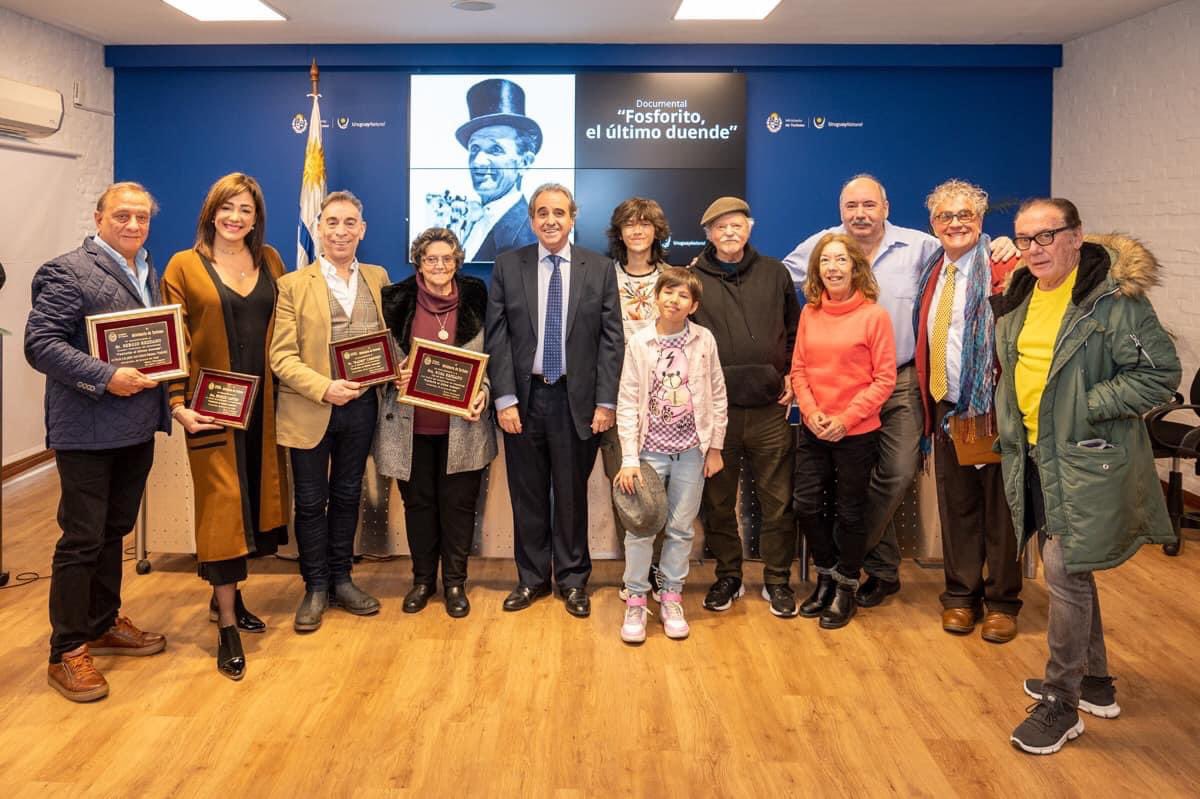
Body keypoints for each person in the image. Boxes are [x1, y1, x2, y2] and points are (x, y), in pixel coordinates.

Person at [995, 199, 1180, 755]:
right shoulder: (1021, 295)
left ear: (1076, 237)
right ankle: (1095, 681)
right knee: (1072, 568)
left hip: (1084, 456)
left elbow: (1160, 374)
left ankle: (1061, 701)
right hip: (1031, 452)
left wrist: (1088, 402)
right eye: (1025, 240)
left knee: (1065, 569)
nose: (1034, 249)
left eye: (1046, 236)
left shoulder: (1113, 303)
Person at [783, 175, 1017, 608]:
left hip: (904, 379)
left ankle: (839, 563)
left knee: (895, 474)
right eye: (851, 205)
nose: (860, 214)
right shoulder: (826, 245)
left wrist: (1000, 243)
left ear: (886, 207)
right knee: (857, 483)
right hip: (843, 388)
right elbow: (777, 280)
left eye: (869, 205)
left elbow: (967, 252)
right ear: (840, 210)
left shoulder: (921, 247)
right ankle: (882, 571)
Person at [25, 182, 170, 702]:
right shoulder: (67, 270)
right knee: (82, 538)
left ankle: (102, 622)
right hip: (85, 428)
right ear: (99, 217)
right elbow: (40, 345)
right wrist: (105, 376)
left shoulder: (148, 271)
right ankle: (67, 650)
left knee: (115, 531)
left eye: (142, 218)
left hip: (134, 425)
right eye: (122, 216)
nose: (133, 226)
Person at [161, 173, 290, 679]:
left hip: (264, 408)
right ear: (210, 213)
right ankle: (229, 626)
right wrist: (177, 402)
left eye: (246, 210)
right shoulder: (184, 265)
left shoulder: (273, 260)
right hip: (211, 409)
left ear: (256, 218)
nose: (236, 218)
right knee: (221, 510)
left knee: (253, 506)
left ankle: (226, 600)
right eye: (227, 208)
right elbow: (174, 340)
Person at [485, 183, 623, 618]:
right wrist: (504, 399)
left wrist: (606, 402)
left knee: (570, 495)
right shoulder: (509, 266)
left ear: (572, 217)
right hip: (524, 401)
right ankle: (531, 580)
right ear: (531, 220)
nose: (550, 220)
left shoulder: (599, 269)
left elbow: (611, 340)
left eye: (559, 212)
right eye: (542, 213)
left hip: (574, 401)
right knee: (526, 495)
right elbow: (498, 336)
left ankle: (573, 580)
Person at [270, 190, 390, 632]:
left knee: (346, 496)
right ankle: (315, 586)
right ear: (318, 228)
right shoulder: (292, 285)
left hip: (361, 411)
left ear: (363, 229)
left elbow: (387, 344)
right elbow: (281, 357)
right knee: (310, 502)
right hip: (311, 409)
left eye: (350, 222)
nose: (341, 230)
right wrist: (325, 388)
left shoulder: (378, 278)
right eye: (332, 222)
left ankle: (342, 578)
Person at [913, 179, 1022, 644]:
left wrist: (1008, 247)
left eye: (965, 215)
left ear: (980, 220)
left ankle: (1001, 603)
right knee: (957, 506)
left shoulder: (1006, 267)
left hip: (995, 407)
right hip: (947, 404)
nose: (955, 223)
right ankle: (960, 596)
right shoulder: (933, 270)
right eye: (945, 216)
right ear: (933, 223)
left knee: (1001, 508)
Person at [374, 227, 497, 618]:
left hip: (464, 427)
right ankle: (423, 580)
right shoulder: (395, 301)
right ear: (418, 263)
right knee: (419, 506)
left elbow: (494, 362)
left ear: (458, 262)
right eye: (431, 259)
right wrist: (393, 372)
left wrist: (484, 394)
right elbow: (379, 360)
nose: (439, 266)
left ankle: (455, 583)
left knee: (460, 507)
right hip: (410, 428)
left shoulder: (478, 298)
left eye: (447, 259)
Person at [689, 197, 801, 616]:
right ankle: (728, 576)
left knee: (777, 502)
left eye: (736, 225)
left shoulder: (775, 273)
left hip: (771, 409)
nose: (729, 233)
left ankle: (776, 580)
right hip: (717, 415)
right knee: (719, 503)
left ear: (749, 228)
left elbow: (795, 329)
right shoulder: (692, 278)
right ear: (709, 235)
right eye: (720, 227)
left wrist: (790, 371)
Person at [614, 267, 727, 643]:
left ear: (693, 305)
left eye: (683, 296)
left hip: (692, 454)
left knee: (680, 528)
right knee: (640, 527)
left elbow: (717, 393)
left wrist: (715, 447)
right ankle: (635, 599)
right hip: (648, 453)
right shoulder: (640, 343)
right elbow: (628, 400)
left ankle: (671, 595)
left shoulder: (704, 340)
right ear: (657, 296)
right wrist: (629, 458)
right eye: (668, 292)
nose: (674, 301)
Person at [789, 234, 896, 629]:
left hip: (856, 432)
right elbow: (799, 369)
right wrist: (813, 412)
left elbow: (884, 379)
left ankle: (846, 588)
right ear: (817, 270)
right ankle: (827, 575)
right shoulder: (810, 313)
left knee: (850, 512)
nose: (833, 268)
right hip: (815, 427)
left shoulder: (874, 316)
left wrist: (845, 419)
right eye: (826, 261)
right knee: (806, 505)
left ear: (855, 267)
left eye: (841, 261)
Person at [598, 197, 670, 595]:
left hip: (664, 402)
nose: (638, 231)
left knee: (658, 488)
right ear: (620, 232)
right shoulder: (602, 276)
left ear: (657, 231)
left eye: (645, 224)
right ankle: (635, 576)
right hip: (616, 398)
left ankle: (657, 571)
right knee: (625, 486)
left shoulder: (674, 277)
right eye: (630, 224)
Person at [454, 78, 541, 262]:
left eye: (495, 149)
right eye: (475, 148)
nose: (478, 162)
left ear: (524, 162)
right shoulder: (471, 220)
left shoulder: (528, 236)